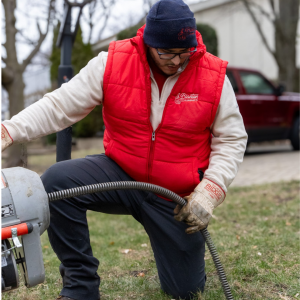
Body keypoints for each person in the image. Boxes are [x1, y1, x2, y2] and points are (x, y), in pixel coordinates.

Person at [1, 0, 247, 299]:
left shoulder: (213, 77)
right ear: (148, 43)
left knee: (185, 291)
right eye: (166, 53)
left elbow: (231, 139)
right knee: (55, 182)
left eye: (184, 53)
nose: (176, 61)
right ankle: (81, 286)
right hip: (120, 173)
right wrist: (9, 130)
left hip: (172, 195)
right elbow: (60, 106)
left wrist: (210, 191)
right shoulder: (113, 62)